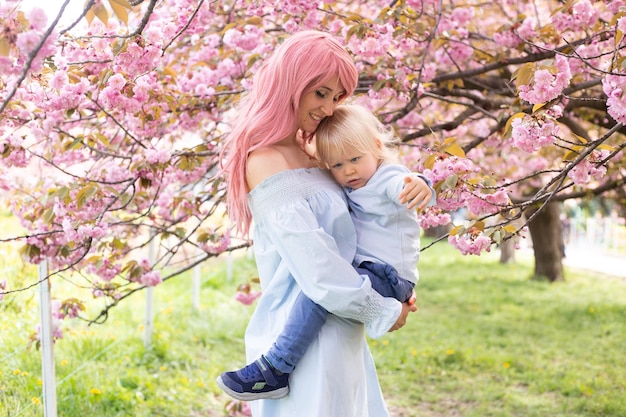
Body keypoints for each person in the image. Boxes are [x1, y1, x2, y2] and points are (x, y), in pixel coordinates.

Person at [216, 30, 426, 417]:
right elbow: (318, 267)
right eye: (320, 93)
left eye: (337, 97)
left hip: (342, 324)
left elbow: (364, 211)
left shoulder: (315, 152)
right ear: (291, 84)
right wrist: (380, 309)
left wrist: (391, 280)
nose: (329, 108)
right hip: (301, 343)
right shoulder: (266, 161)